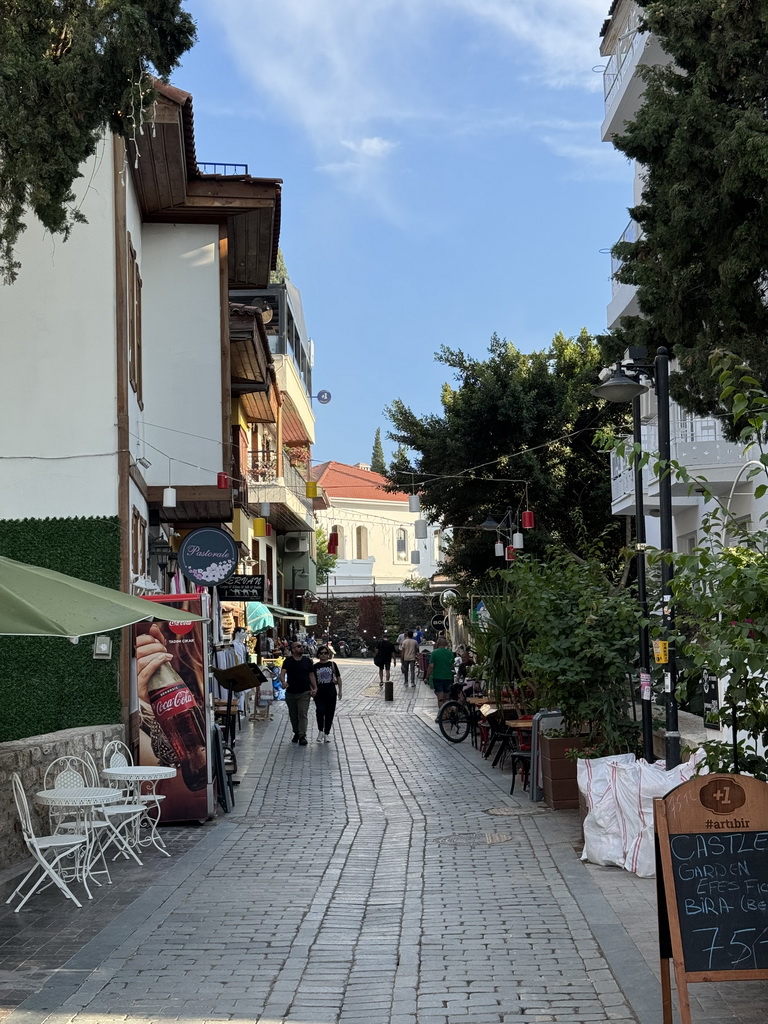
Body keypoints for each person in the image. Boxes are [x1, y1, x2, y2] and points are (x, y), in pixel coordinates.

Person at [280, 642, 317, 745]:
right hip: (291, 692)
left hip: (304, 692)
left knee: (302, 713)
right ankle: (296, 732)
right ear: (293, 649)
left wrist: (315, 687)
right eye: (299, 647)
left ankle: (302, 736)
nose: (301, 648)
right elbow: (282, 673)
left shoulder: (307, 661)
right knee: (293, 715)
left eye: (302, 646)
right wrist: (283, 682)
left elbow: (311, 675)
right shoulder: (288, 661)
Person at [312, 646, 342, 742]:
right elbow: (311, 679)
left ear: (328, 654)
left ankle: (327, 733)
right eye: (321, 653)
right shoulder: (315, 667)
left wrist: (340, 690)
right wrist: (312, 689)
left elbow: (338, 678)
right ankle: (320, 730)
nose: (323, 655)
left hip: (331, 692)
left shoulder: (332, 664)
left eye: (325, 653)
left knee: (330, 713)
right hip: (319, 692)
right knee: (320, 711)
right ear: (318, 654)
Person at [426, 638, 455, 719]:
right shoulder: (450, 653)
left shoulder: (434, 653)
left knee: (440, 698)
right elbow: (452, 665)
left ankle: (443, 715)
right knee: (447, 698)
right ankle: (448, 714)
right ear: (445, 644)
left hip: (437, 677)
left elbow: (431, 666)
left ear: (437, 644)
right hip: (448, 677)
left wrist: (427, 677)